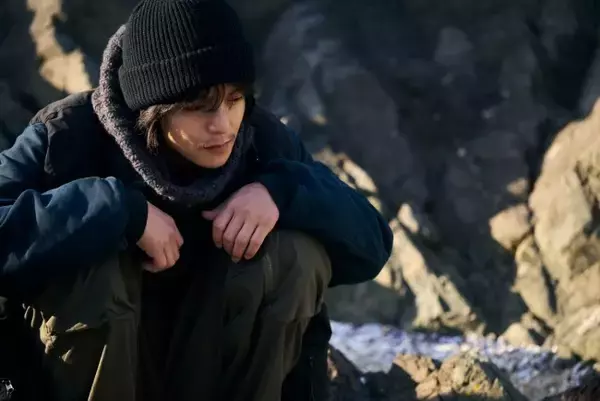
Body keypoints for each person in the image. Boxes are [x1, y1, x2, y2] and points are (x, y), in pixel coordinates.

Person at [0, 0, 393, 400]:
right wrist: (117, 210)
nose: (222, 125)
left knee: (296, 254)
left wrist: (281, 192)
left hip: (214, 370)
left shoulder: (263, 140)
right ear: (152, 107)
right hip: (90, 378)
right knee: (85, 258)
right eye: (197, 108)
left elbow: (373, 245)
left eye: (234, 99)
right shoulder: (65, 137)